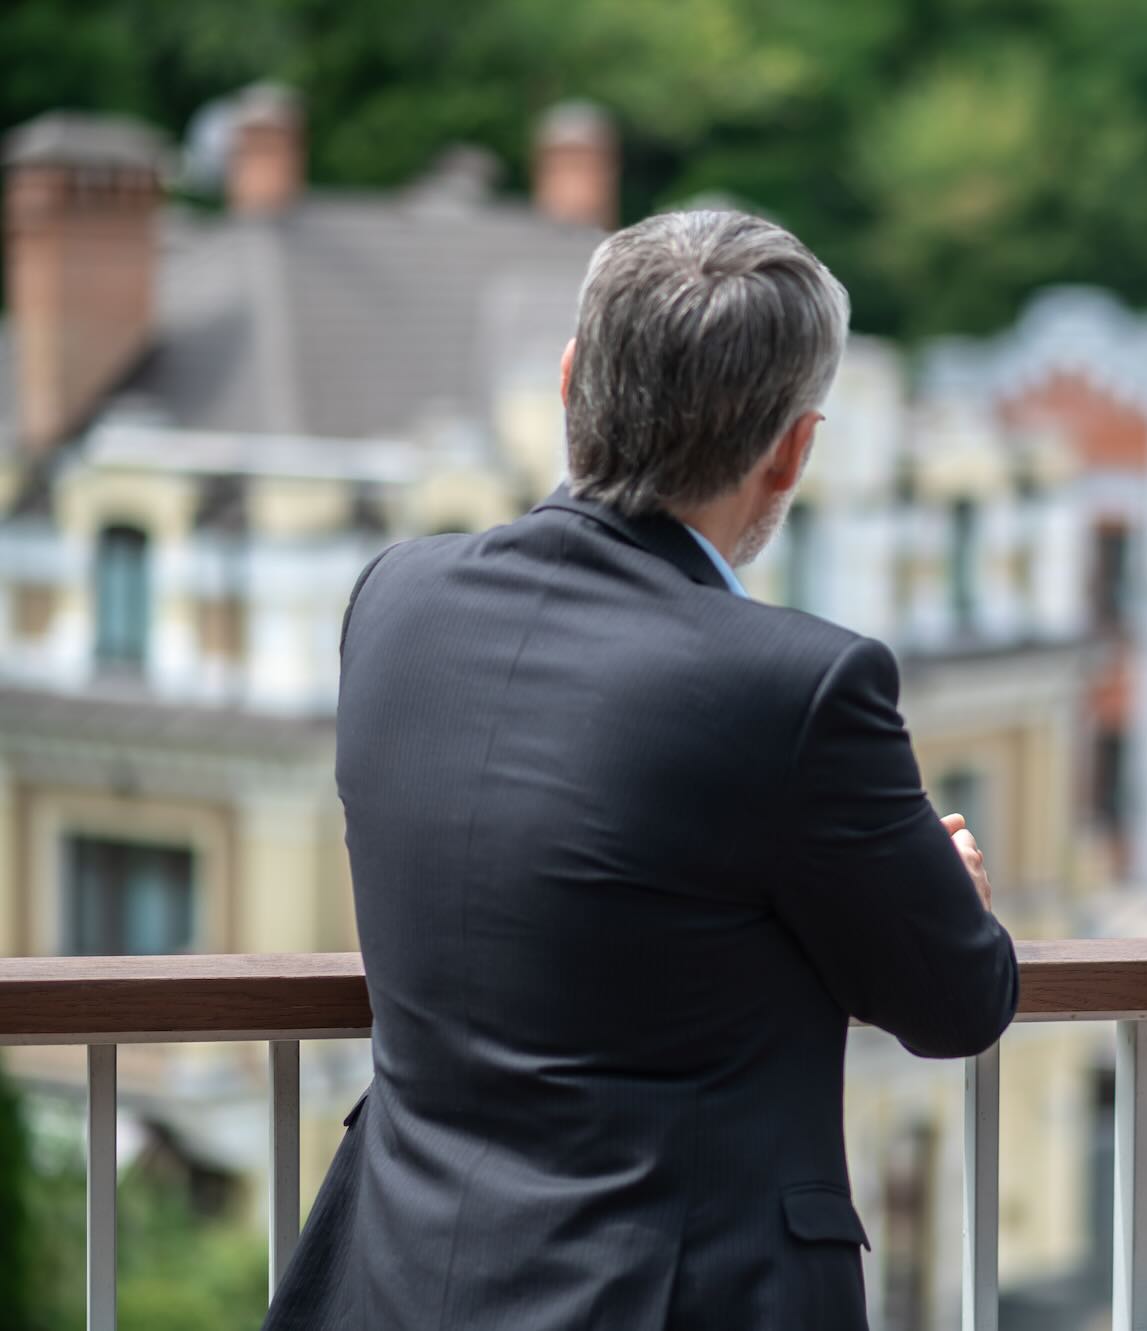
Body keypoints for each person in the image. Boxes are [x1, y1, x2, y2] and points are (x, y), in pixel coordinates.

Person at [265, 210, 1019, 1331]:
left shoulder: (396, 601)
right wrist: (943, 894)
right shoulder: (801, 685)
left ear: (572, 383)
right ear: (793, 449)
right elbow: (956, 1002)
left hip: (400, 1279)